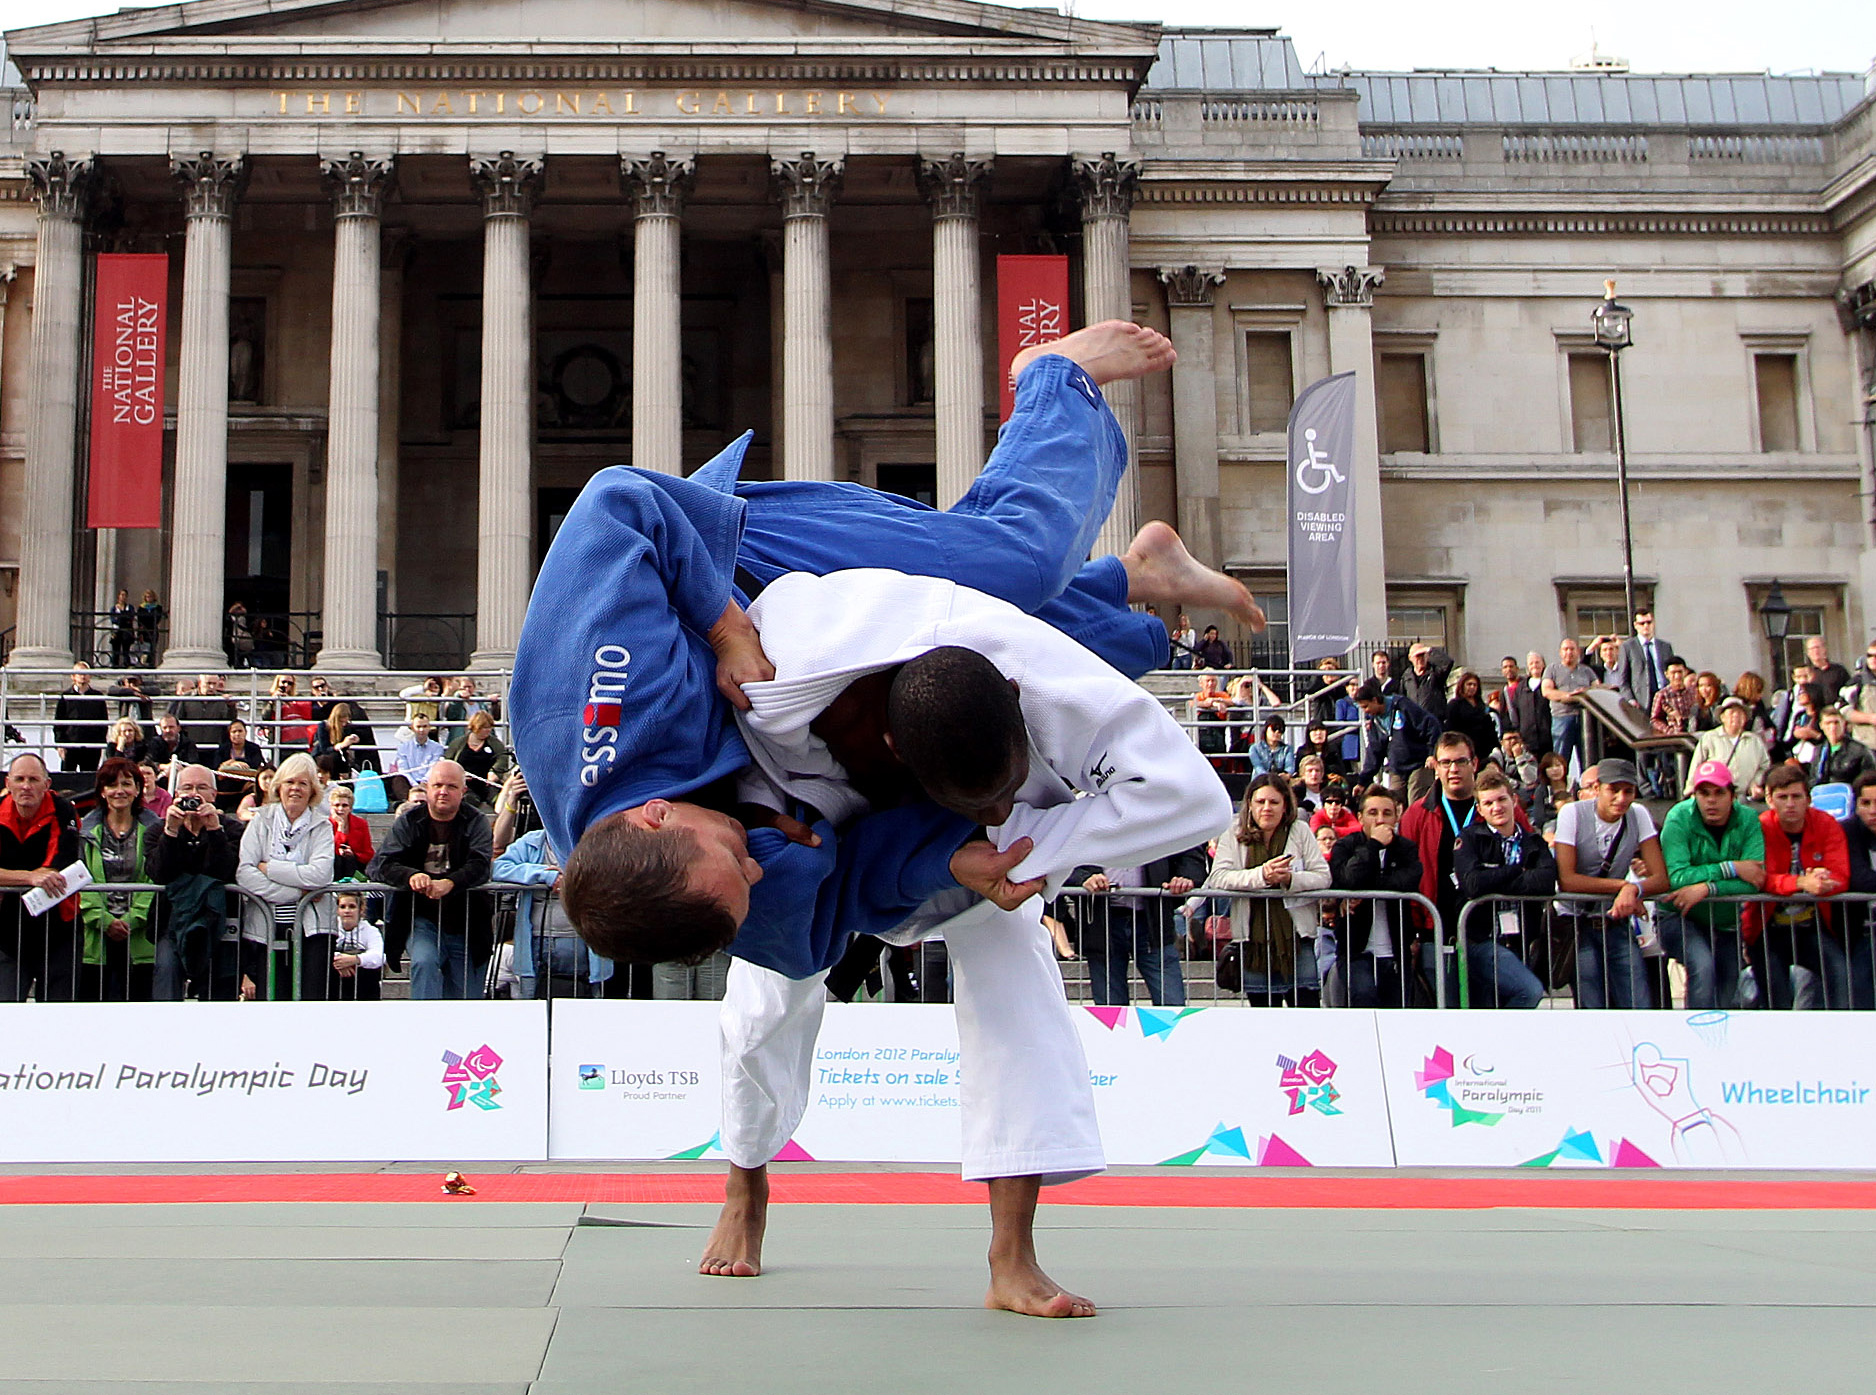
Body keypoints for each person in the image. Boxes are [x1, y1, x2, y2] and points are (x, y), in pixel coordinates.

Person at [514, 323, 1241, 1316]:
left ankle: (1054, 383)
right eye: (751, 882)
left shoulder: (588, 711)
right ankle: (1128, 588)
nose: (758, 861)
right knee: (768, 1006)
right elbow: (846, 894)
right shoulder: (731, 895)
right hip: (816, 736)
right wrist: (954, 854)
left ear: (647, 818)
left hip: (753, 567)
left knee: (1012, 569)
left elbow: (620, 504)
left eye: (736, 853)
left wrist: (725, 625)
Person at [369, 760, 494, 999]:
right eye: (437, 785)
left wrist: (451, 882)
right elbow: (382, 864)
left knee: (467, 997)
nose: (443, 792)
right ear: (426, 788)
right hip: (420, 918)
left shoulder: (477, 821)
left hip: (467, 923)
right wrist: (411, 876)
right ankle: (424, 1027)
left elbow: (480, 865)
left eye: (451, 786)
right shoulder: (408, 821)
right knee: (424, 962)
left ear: (463, 791)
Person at [1553, 758, 1669, 1008]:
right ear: (1597, 789)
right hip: (1576, 922)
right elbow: (1567, 880)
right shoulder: (1572, 813)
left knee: (1638, 1001)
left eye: (1628, 791)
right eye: (1613, 790)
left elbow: (1660, 878)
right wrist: (1624, 888)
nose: (1621, 798)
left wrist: (1635, 889)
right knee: (1591, 1001)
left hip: (1614, 921)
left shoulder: (1638, 814)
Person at [1656, 760, 1766, 1010]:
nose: (1711, 801)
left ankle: (1718, 1045)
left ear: (1733, 795)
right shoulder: (1679, 816)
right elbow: (1677, 878)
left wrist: (1708, 888)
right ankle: (1695, 1042)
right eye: (1703, 793)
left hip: (1727, 921)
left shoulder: (1749, 818)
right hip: (1680, 915)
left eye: (1719, 793)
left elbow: (1757, 880)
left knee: (1727, 987)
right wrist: (1733, 868)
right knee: (1703, 968)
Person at [1746, 765, 1850, 1010]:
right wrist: (1802, 882)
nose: (1790, 804)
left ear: (1808, 799)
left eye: (1796, 797)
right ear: (1769, 800)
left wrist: (1823, 882)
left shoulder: (1826, 823)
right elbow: (1760, 878)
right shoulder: (1759, 827)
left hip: (1812, 928)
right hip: (1767, 931)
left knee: (1842, 979)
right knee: (1778, 1002)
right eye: (1782, 797)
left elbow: (1842, 875)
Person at [235, 753, 336, 1002]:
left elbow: (320, 875)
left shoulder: (322, 826)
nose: (295, 789)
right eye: (290, 782)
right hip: (266, 926)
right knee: (273, 1000)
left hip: (313, 930)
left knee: (312, 1000)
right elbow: (245, 873)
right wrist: (297, 894)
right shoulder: (260, 821)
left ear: (312, 790)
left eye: (303, 783)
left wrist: (270, 869)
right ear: (278, 787)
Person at [1450, 769, 1554, 1008]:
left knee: (1495, 1010)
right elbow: (1473, 885)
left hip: (1521, 941)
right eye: (1488, 803)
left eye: (1501, 799)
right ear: (1479, 809)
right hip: (1482, 941)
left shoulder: (1534, 842)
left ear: (1513, 800)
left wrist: (1494, 878)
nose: (1496, 807)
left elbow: (1546, 883)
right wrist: (1517, 870)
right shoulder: (1469, 839)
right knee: (1530, 991)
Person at [147, 763, 239, 1000]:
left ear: (214, 795)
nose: (193, 795)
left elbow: (226, 871)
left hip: (218, 923)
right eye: (187, 788)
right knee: (166, 973)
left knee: (219, 993)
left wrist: (214, 830)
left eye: (201, 788)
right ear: (176, 794)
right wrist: (171, 832)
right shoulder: (158, 830)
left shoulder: (232, 829)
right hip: (172, 921)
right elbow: (159, 873)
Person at [1075, 843, 1206, 1007]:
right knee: (1110, 1013)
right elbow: (1063, 855)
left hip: (1153, 919)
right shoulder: (1087, 818)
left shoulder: (1161, 817)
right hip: (1102, 922)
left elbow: (1190, 843)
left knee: (1172, 1008)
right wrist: (1083, 877)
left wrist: (1186, 876)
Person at [1329, 786, 1424, 1008]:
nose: (1380, 820)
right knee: (1364, 999)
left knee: (1398, 1012)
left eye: (1387, 813)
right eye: (1373, 813)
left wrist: (1365, 889)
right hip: (1356, 950)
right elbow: (1349, 878)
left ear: (1397, 816)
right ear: (1360, 817)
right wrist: (1374, 844)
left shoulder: (1407, 848)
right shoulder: (1345, 845)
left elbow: (1407, 882)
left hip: (1396, 952)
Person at [76, 756, 162, 1002]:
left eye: (127, 783)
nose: (119, 791)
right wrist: (103, 921)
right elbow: (82, 880)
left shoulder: (154, 830)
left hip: (139, 936)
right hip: (96, 937)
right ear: (102, 791)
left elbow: (152, 880)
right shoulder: (85, 832)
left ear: (137, 789)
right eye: (112, 784)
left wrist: (131, 919)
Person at [0, 753, 83, 1002]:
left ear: (47, 785)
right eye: (20, 779)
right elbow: (39, 878)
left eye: (34, 779)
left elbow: (55, 870)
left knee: (59, 1017)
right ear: (8, 784)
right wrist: (29, 877)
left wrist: (13, 878)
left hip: (59, 930)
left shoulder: (63, 810)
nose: (26, 786)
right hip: (7, 931)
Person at [1353, 679, 1443, 791]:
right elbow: (1374, 751)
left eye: (1366, 706)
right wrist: (1362, 782)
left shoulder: (1402, 706)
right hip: (1396, 768)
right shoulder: (1374, 722)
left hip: (1418, 763)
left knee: (1416, 798)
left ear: (1375, 700)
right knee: (1395, 802)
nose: (1365, 711)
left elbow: (1431, 725)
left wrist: (1432, 753)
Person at [1839, 770, 1876, 1010]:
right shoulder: (1846, 830)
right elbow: (1859, 878)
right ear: (1855, 805)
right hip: (1859, 933)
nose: (1873, 811)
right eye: (1866, 803)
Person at [1688, 696, 1771, 798]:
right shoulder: (1710, 738)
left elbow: (1765, 765)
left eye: (1740, 713)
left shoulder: (1754, 741)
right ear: (1722, 717)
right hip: (1716, 797)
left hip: (1744, 798)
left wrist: (1755, 782)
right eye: (1731, 713)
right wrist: (1691, 791)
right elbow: (1696, 765)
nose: (1736, 716)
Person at [1542, 637, 1603, 773]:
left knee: (1589, 760)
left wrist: (1585, 692)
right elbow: (1547, 691)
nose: (1569, 652)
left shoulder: (1586, 671)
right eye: (1565, 649)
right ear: (1560, 652)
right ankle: (1559, 790)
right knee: (1560, 759)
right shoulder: (1552, 669)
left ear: (1578, 652)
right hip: (1562, 718)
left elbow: (1597, 689)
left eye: (1572, 649)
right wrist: (1569, 696)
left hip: (1585, 719)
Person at [446, 710, 514, 812]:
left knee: (499, 800)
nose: (488, 731)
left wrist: (494, 771)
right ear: (475, 727)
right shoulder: (458, 743)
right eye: (484, 728)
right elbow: (448, 762)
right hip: (466, 786)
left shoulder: (495, 744)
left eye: (489, 728)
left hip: (488, 785)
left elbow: (502, 758)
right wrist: (459, 775)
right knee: (468, 801)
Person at [1610, 609, 1675, 714]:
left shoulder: (1665, 647)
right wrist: (1630, 699)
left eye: (1649, 622)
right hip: (1642, 700)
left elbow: (1672, 671)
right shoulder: (1628, 647)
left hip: (1664, 696)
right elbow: (1623, 679)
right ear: (1636, 625)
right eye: (1642, 623)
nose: (1646, 626)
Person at [326, 888, 385, 1001]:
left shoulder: (371, 930)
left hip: (364, 983)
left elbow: (379, 956)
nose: (347, 911)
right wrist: (340, 961)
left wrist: (355, 960)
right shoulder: (330, 928)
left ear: (361, 909)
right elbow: (323, 952)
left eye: (352, 906)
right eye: (342, 907)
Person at [53, 663, 110, 773]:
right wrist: (60, 744)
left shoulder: (98, 697)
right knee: (67, 778)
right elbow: (58, 722)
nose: (83, 676)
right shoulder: (65, 696)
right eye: (79, 673)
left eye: (86, 673)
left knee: (90, 778)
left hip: (91, 745)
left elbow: (103, 721)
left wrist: (100, 743)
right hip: (70, 744)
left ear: (90, 676)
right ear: (73, 676)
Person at [1444, 668, 1500, 769]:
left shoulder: (1482, 706)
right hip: (1464, 747)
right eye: (1469, 684)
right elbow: (1450, 728)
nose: (1472, 687)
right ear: (1462, 686)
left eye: (1475, 685)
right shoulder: (1455, 705)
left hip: (1483, 750)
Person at [387, 712, 447, 805]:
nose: (422, 730)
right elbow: (403, 769)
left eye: (425, 726)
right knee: (398, 780)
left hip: (429, 782)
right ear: (412, 727)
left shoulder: (437, 747)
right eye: (418, 726)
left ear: (429, 727)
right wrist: (415, 784)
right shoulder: (403, 747)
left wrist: (424, 782)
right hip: (409, 782)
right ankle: (408, 802)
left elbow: (434, 768)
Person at [1812, 707, 1876, 788]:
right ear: (1821, 726)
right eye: (1828, 723)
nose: (1833, 728)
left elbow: (1869, 781)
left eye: (1836, 723)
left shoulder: (1860, 751)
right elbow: (1813, 779)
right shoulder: (1819, 751)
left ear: (1844, 723)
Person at [327, 780, 375, 881]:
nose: (340, 809)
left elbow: (368, 854)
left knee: (349, 860)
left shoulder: (361, 823)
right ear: (331, 807)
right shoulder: (326, 824)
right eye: (336, 805)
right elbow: (329, 850)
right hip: (332, 866)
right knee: (338, 859)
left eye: (344, 805)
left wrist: (353, 853)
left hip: (356, 865)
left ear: (350, 808)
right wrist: (340, 826)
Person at [1400, 642, 1450, 723]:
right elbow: (1402, 699)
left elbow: (1447, 663)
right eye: (1417, 656)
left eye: (1423, 655)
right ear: (1410, 658)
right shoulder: (1406, 677)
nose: (1420, 659)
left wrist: (1429, 650)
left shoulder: (1435, 673)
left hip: (1434, 721)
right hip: (1415, 723)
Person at [312, 703, 366, 777]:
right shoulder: (323, 726)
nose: (343, 724)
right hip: (322, 757)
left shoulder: (347, 727)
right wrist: (340, 745)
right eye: (341, 722)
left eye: (346, 722)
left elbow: (344, 750)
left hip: (338, 757)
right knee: (334, 758)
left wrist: (352, 740)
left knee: (343, 760)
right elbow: (324, 749)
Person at [1806, 636, 1852, 703]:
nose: (1815, 651)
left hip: (1836, 710)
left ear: (1825, 649)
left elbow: (1849, 691)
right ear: (1808, 653)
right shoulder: (1807, 673)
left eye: (1818, 647)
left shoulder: (1838, 671)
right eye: (1812, 648)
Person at [134, 589, 165, 666]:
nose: (149, 598)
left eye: (150, 597)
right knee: (143, 648)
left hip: (153, 628)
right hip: (143, 629)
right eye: (147, 597)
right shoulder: (141, 608)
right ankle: (142, 664)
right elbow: (139, 619)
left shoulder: (158, 607)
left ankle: (151, 664)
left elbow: (158, 618)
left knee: (152, 648)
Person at [109, 588, 137, 669]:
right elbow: (113, 619)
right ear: (118, 596)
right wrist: (121, 619)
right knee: (116, 648)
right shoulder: (114, 608)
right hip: (117, 630)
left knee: (126, 648)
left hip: (127, 630)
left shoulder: (129, 607)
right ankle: (115, 664)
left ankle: (126, 663)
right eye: (122, 595)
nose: (123, 597)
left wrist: (122, 618)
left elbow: (131, 617)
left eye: (125, 595)